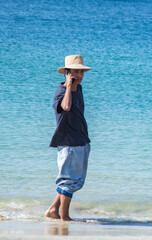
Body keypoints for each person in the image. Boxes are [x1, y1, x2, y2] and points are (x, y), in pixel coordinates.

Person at [45, 55, 92, 221]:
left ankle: (53, 210)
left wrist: (73, 85)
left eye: (81, 71)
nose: (79, 75)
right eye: (75, 71)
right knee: (68, 181)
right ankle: (65, 219)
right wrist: (68, 84)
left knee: (75, 181)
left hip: (81, 140)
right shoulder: (61, 93)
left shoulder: (78, 89)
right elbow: (65, 107)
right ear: (67, 72)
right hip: (69, 143)